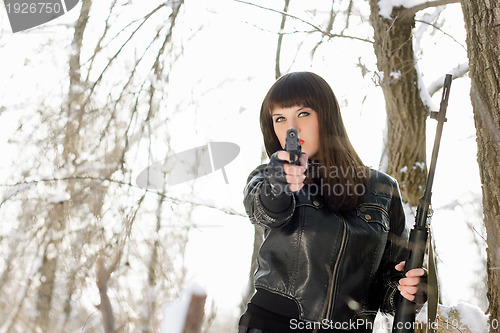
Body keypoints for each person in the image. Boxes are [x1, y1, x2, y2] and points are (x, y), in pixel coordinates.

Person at [238, 72, 426, 333]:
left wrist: (408, 290)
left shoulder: (383, 189)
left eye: (303, 114)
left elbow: (389, 281)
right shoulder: (268, 176)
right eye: (280, 119)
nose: (291, 128)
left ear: (326, 116)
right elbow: (265, 210)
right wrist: (280, 180)